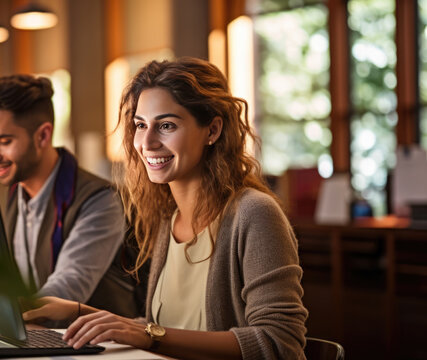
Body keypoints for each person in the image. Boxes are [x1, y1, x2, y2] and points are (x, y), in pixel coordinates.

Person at [22, 57, 308, 359]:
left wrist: (147, 334)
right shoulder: (168, 220)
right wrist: (77, 311)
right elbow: (164, 329)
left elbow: (280, 342)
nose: (146, 142)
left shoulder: (254, 214)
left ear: (212, 130)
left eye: (167, 125)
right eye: (140, 125)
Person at [0, 74, 138, 318]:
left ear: (43, 136)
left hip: (102, 350)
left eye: (4, 141)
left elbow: (67, 288)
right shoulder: (15, 192)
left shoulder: (101, 200)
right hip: (43, 342)